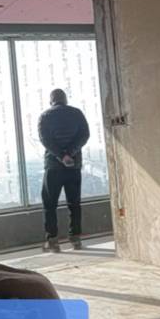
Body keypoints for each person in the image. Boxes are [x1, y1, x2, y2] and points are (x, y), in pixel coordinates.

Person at [38, 88, 90, 252]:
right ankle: (75, 239)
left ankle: (53, 241)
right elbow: (84, 135)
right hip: (73, 165)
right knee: (74, 203)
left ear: (51, 101)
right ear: (65, 99)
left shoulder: (45, 116)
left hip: (53, 167)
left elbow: (45, 140)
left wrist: (61, 156)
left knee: (49, 204)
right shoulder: (77, 113)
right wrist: (70, 154)